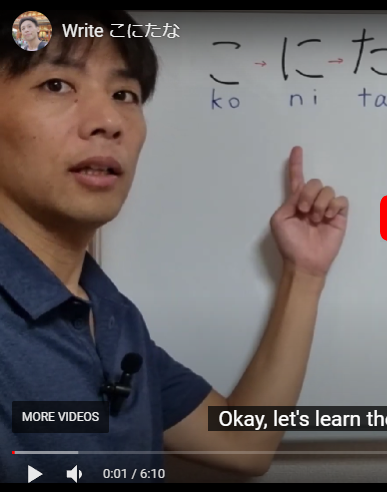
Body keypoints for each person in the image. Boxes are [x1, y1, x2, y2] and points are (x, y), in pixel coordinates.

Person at [0, 10, 349, 483]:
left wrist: (304, 275)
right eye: (57, 85)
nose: (109, 120)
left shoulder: (111, 316)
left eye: (124, 95)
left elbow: (243, 444)